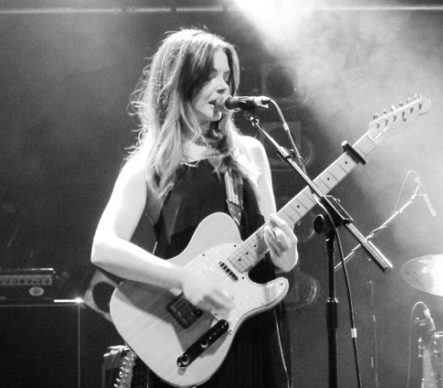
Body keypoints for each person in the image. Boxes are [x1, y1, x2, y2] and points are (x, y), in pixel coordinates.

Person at [91, 27, 298, 388]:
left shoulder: (251, 153)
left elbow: (271, 245)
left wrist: (287, 255)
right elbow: (104, 248)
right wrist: (184, 279)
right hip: (186, 334)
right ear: (178, 82)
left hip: (251, 325)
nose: (224, 87)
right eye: (210, 76)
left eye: (227, 77)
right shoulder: (148, 164)